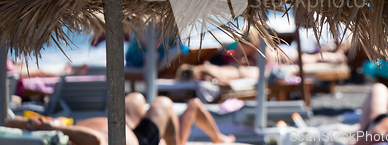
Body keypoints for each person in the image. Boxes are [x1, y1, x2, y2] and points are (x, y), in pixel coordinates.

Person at [5, 93, 236, 145]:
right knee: (163, 104)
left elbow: (7, 122)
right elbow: (97, 140)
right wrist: (53, 126)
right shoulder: (67, 137)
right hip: (132, 141)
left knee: (135, 98)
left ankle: (216, 136)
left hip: (122, 129)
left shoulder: (49, 131)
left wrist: (28, 123)